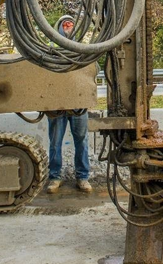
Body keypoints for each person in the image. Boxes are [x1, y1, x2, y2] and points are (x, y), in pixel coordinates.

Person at [46, 15, 92, 194]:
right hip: (57, 104)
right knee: (55, 142)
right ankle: (55, 177)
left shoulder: (82, 49)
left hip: (78, 102)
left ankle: (82, 177)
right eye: (65, 23)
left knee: (81, 140)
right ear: (58, 27)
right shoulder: (50, 49)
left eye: (71, 23)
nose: (68, 26)